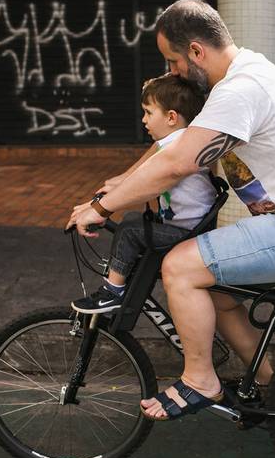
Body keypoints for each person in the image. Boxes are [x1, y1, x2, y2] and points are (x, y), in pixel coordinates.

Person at [66, 0, 275, 421]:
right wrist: (121, 184)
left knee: (180, 266)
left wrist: (102, 207)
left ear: (195, 51)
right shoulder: (251, 71)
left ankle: (200, 380)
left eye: (172, 61)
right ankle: (269, 383)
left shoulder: (239, 90)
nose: (171, 73)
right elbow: (174, 145)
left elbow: (177, 163)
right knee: (220, 296)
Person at [71, 74, 215, 313]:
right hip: (191, 228)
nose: (144, 120)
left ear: (171, 117)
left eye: (149, 112)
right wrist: (102, 198)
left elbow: (139, 184)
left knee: (129, 230)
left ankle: (112, 292)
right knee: (132, 223)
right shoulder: (178, 141)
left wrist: (99, 209)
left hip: (189, 234)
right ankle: (121, 278)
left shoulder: (174, 146)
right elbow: (133, 178)